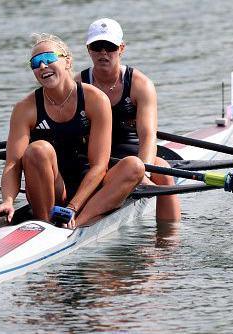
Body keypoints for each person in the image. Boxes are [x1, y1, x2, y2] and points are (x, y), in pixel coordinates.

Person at [0, 33, 144, 229]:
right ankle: (45, 222)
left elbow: (99, 166)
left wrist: (73, 207)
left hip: (89, 185)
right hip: (53, 186)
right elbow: (13, 163)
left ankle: (76, 223)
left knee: (135, 166)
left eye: (49, 59)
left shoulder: (95, 100)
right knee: (38, 149)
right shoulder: (25, 108)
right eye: (36, 62)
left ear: (67, 61)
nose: (42, 66)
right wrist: (8, 201)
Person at [75, 18, 181, 222]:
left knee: (165, 174)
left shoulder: (140, 84)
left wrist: (145, 172)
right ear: (88, 49)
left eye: (110, 47)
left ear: (121, 48)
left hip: (132, 156)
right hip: (95, 160)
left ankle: (168, 241)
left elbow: (148, 135)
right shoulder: (77, 85)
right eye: (97, 46)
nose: (103, 53)